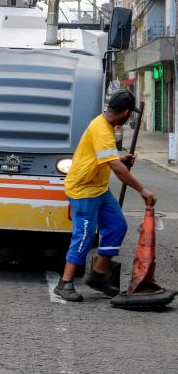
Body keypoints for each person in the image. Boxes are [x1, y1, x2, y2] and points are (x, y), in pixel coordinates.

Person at [54, 90, 157, 302]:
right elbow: (117, 169)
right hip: (83, 190)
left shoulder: (106, 125)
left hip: (98, 188)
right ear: (127, 112)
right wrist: (142, 190)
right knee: (84, 235)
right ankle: (64, 283)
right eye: (131, 113)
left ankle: (98, 276)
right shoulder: (101, 129)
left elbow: (106, 157)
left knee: (117, 226)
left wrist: (120, 157)